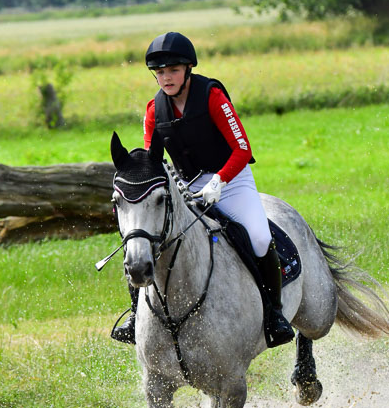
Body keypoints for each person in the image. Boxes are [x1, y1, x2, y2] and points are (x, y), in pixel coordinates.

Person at [111, 31, 294, 348]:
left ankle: (274, 314)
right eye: (160, 73)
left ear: (187, 70)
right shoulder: (155, 110)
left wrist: (219, 181)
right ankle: (135, 312)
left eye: (173, 71)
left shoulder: (211, 97)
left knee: (260, 236)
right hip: (187, 186)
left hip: (232, 181)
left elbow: (242, 149)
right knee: (145, 238)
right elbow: (152, 161)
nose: (166, 78)